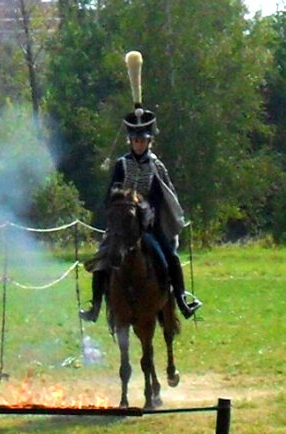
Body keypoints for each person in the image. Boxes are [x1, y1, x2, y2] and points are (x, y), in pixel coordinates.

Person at [80, 104, 202, 323]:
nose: (139, 143)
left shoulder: (157, 166)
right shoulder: (121, 164)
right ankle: (95, 305)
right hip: (121, 226)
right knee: (102, 260)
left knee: (170, 257)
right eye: (135, 140)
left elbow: (161, 196)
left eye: (142, 140)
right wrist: (121, 203)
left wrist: (144, 211)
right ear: (130, 141)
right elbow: (111, 194)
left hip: (148, 226)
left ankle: (181, 300)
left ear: (148, 141)